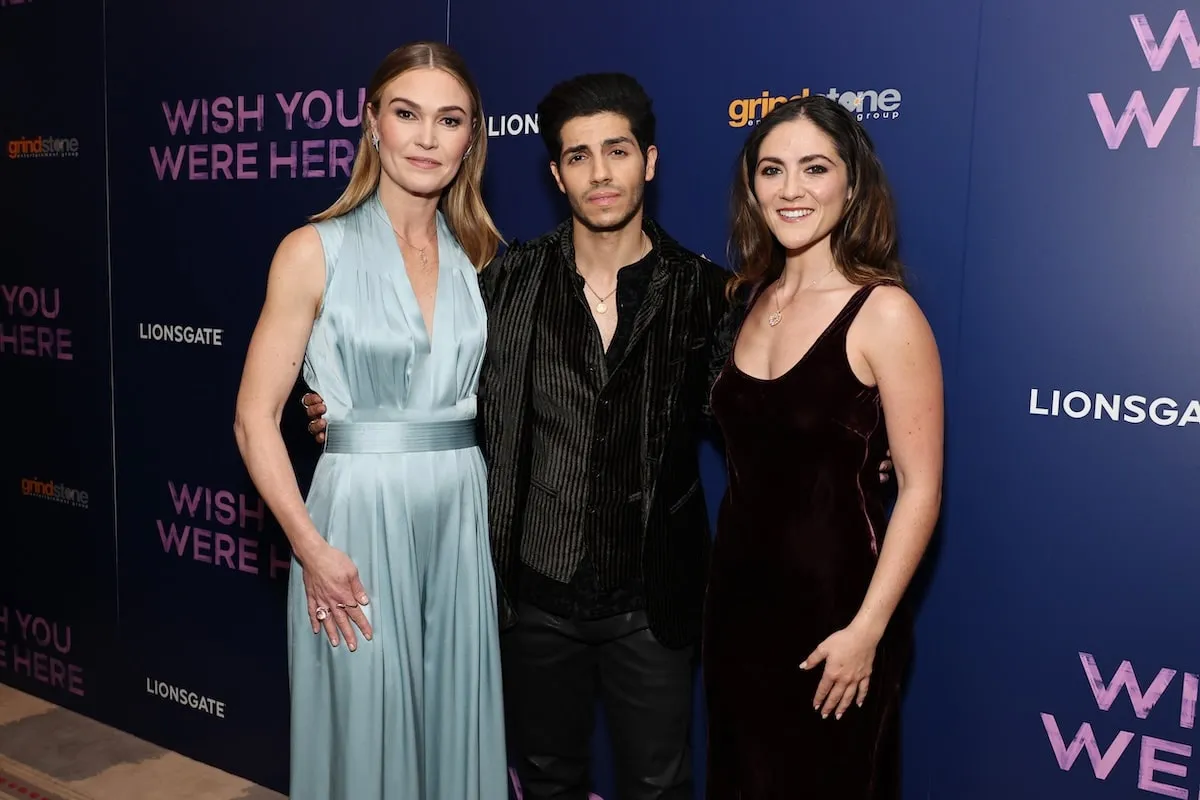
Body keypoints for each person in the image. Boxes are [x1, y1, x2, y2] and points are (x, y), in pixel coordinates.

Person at [302, 73, 893, 799]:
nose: (600, 173)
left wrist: (864, 445)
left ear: (649, 161)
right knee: (546, 779)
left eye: (616, 151)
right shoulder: (502, 282)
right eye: (577, 156)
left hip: (655, 600)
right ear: (555, 174)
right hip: (531, 595)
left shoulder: (713, 295)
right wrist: (350, 410)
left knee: (658, 783)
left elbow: (765, 412)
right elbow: (430, 371)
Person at [232, 41, 507, 800]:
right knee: (362, 730)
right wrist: (310, 549)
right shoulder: (311, 250)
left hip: (460, 513)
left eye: (448, 120)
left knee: (455, 724)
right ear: (371, 123)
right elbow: (256, 420)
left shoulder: (484, 257)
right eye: (407, 114)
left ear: (470, 138)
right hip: (352, 520)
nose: (426, 137)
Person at [701, 94, 944, 798]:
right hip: (738, 607)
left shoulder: (885, 311)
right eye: (771, 170)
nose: (791, 189)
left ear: (852, 181)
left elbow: (922, 489)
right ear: (752, 187)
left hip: (839, 610)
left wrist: (869, 629)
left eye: (815, 168)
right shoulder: (746, 299)